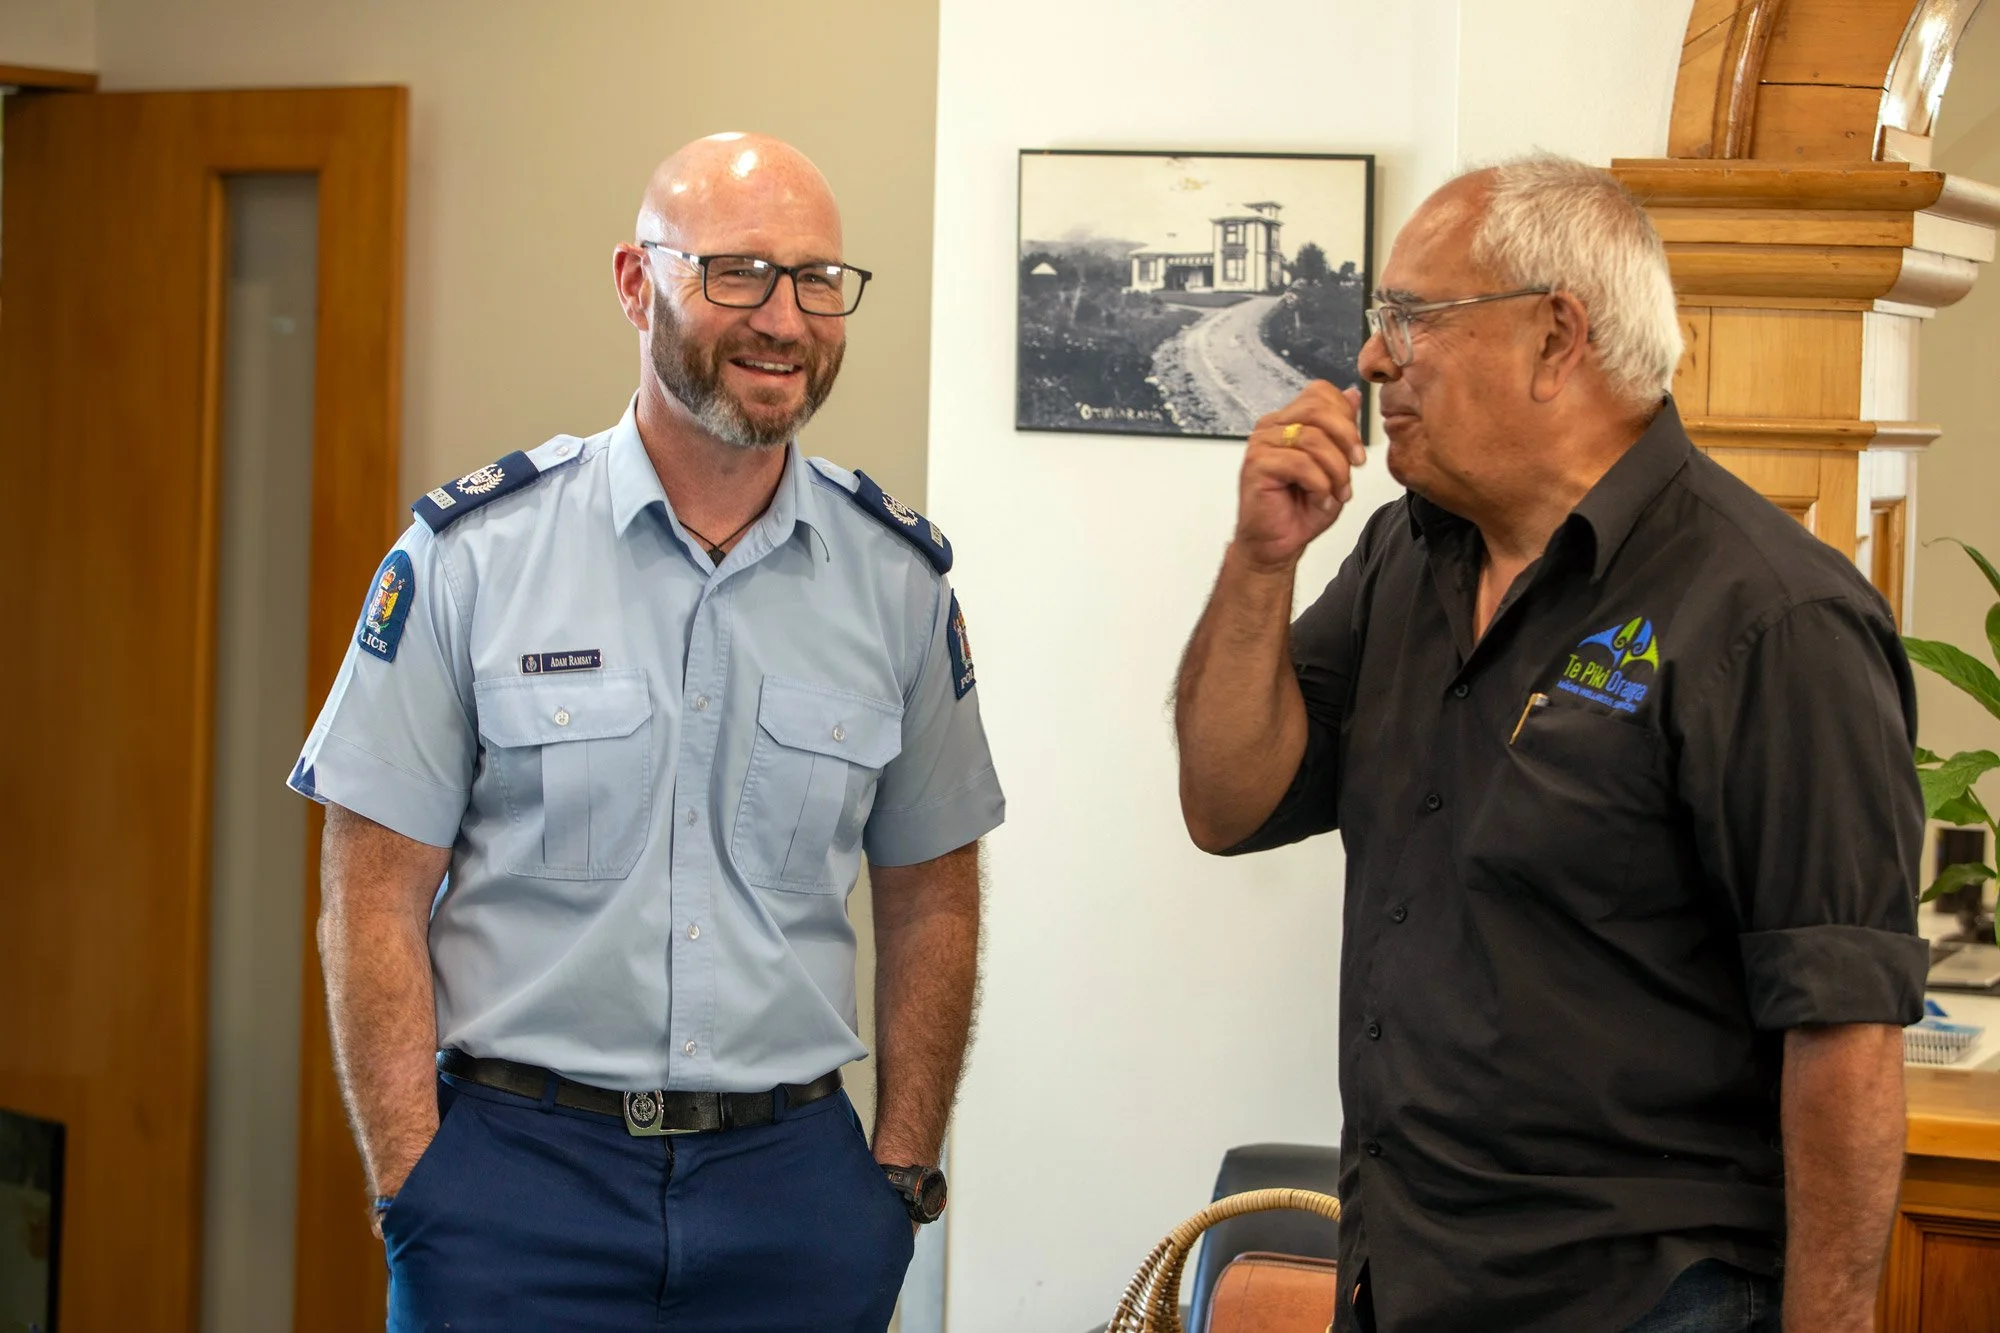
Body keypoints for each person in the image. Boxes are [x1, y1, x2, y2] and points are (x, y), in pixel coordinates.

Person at [1174, 154, 1925, 1333]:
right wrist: (1260, 563)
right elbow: (1225, 805)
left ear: (1555, 336)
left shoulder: (1773, 617)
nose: (1371, 359)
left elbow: (1843, 1033)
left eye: (1409, 317)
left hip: (1642, 1297)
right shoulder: (1400, 556)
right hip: (1403, 1268)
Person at [287, 131, 1003, 1330]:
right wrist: (415, 1182)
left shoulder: (898, 586)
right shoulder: (471, 560)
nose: (784, 318)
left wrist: (899, 1170)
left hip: (793, 1194)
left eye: (816, 279)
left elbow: (934, 893)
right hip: (516, 1188)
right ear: (635, 282)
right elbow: (370, 893)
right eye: (737, 272)